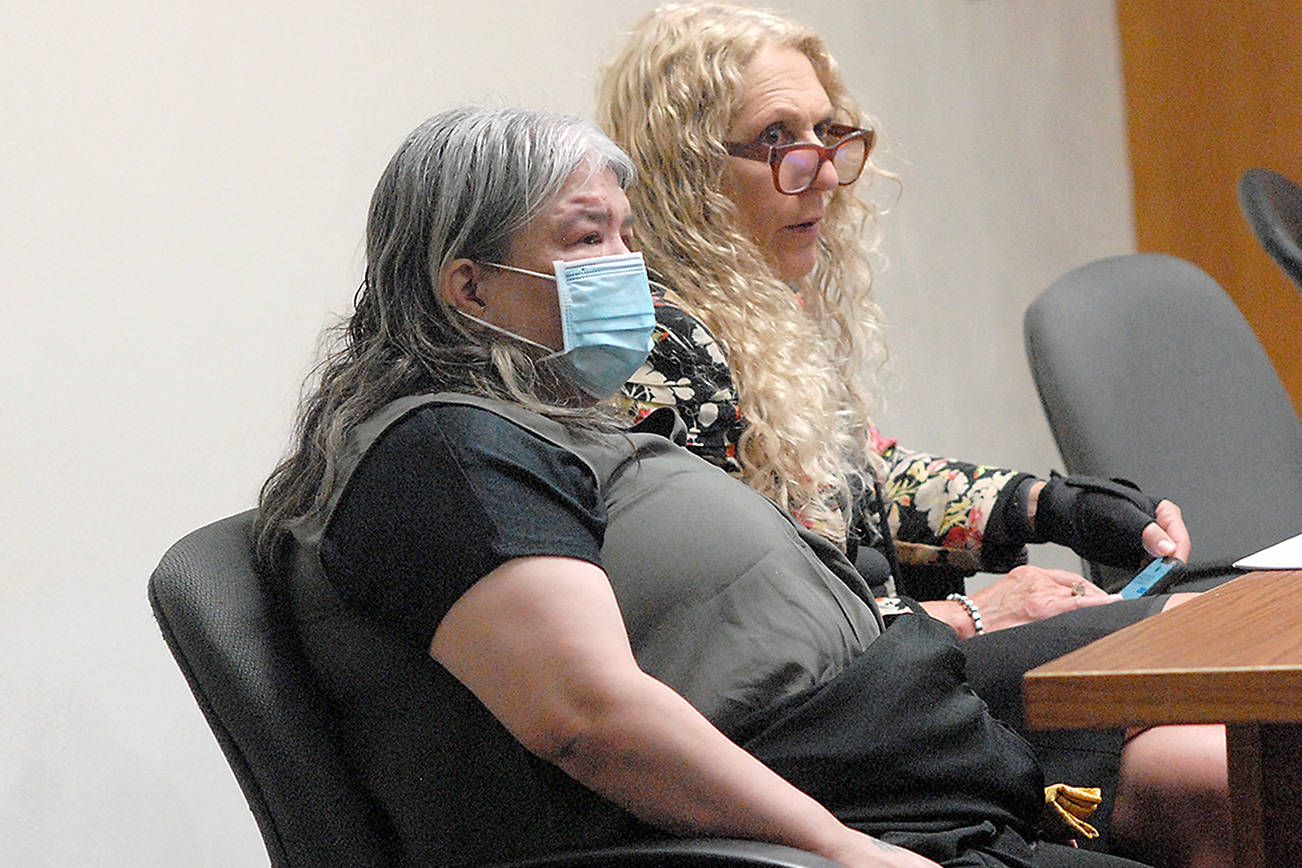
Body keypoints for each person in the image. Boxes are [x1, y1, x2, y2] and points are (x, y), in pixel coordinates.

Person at [255, 105, 1153, 868]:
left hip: (904, 758)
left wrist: (1046, 506)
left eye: (625, 233)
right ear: (471, 289)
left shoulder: (545, 417)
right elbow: (589, 718)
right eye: (585, 238)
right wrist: (846, 853)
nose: (624, 265)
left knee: (1182, 669)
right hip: (837, 827)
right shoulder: (444, 453)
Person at [595, 4, 1228, 866]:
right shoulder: (661, 354)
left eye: (826, 133)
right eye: (778, 139)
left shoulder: (750, 310)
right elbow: (772, 627)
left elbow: (857, 477)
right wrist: (968, 614)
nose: (821, 172)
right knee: (1204, 663)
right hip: (850, 726)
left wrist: (1040, 505)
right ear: (680, 170)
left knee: (1218, 736)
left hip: (905, 680)